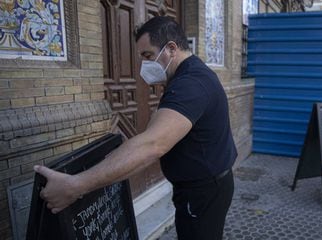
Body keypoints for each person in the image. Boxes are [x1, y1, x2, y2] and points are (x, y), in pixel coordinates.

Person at [34, 16, 238, 240]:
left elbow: (152, 144)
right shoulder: (192, 75)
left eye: (148, 56)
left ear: (171, 48)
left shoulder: (191, 85)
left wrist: (75, 186)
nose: (144, 66)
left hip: (203, 193)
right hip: (205, 187)